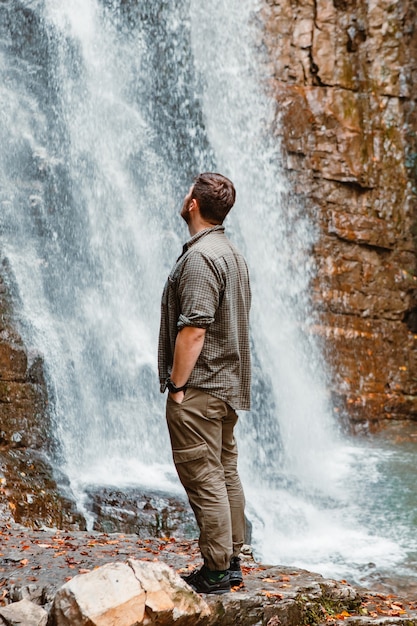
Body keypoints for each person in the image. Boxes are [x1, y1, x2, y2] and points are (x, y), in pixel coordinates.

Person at [158, 172, 251, 594]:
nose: (183, 197)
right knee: (226, 473)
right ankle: (232, 560)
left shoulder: (199, 259)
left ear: (193, 204)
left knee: (205, 477)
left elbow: (194, 329)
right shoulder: (231, 252)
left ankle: (215, 571)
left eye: (186, 192)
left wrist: (177, 386)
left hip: (200, 388)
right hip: (227, 386)